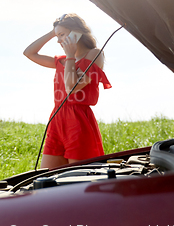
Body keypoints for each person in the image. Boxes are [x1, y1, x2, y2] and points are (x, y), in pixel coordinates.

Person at [23, 13, 111, 169]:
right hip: (57, 119)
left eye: (62, 35)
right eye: (57, 36)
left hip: (78, 120)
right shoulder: (61, 61)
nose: (58, 40)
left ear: (77, 32)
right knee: (45, 176)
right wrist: (53, 32)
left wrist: (70, 55)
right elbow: (29, 53)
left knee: (78, 178)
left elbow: (71, 87)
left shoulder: (94, 54)